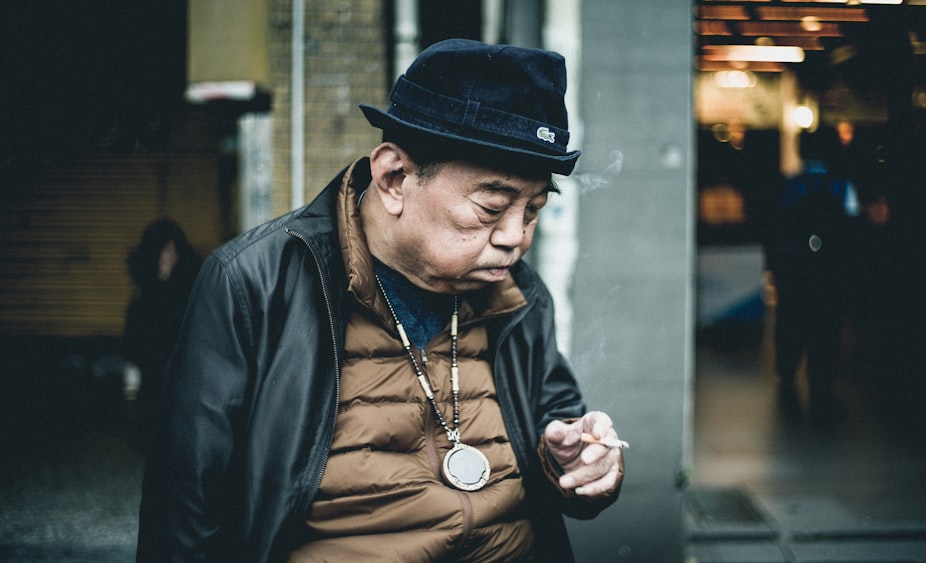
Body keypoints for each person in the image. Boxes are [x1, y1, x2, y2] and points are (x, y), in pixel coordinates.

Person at [137, 39, 624, 562]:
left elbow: (560, 430)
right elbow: (186, 516)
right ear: (393, 178)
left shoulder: (519, 293)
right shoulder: (254, 285)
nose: (516, 237)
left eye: (532, 210)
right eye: (491, 208)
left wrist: (584, 464)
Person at [764, 129, 858, 425]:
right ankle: (822, 377)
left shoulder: (789, 186)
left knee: (791, 319)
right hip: (831, 272)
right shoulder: (842, 188)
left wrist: (776, 266)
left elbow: (774, 230)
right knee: (827, 325)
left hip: (795, 271)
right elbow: (853, 233)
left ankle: (788, 368)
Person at [122, 218, 200, 451]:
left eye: (174, 250)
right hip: (152, 363)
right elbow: (137, 327)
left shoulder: (185, 285)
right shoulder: (145, 284)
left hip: (174, 364)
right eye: (166, 250)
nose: (171, 256)